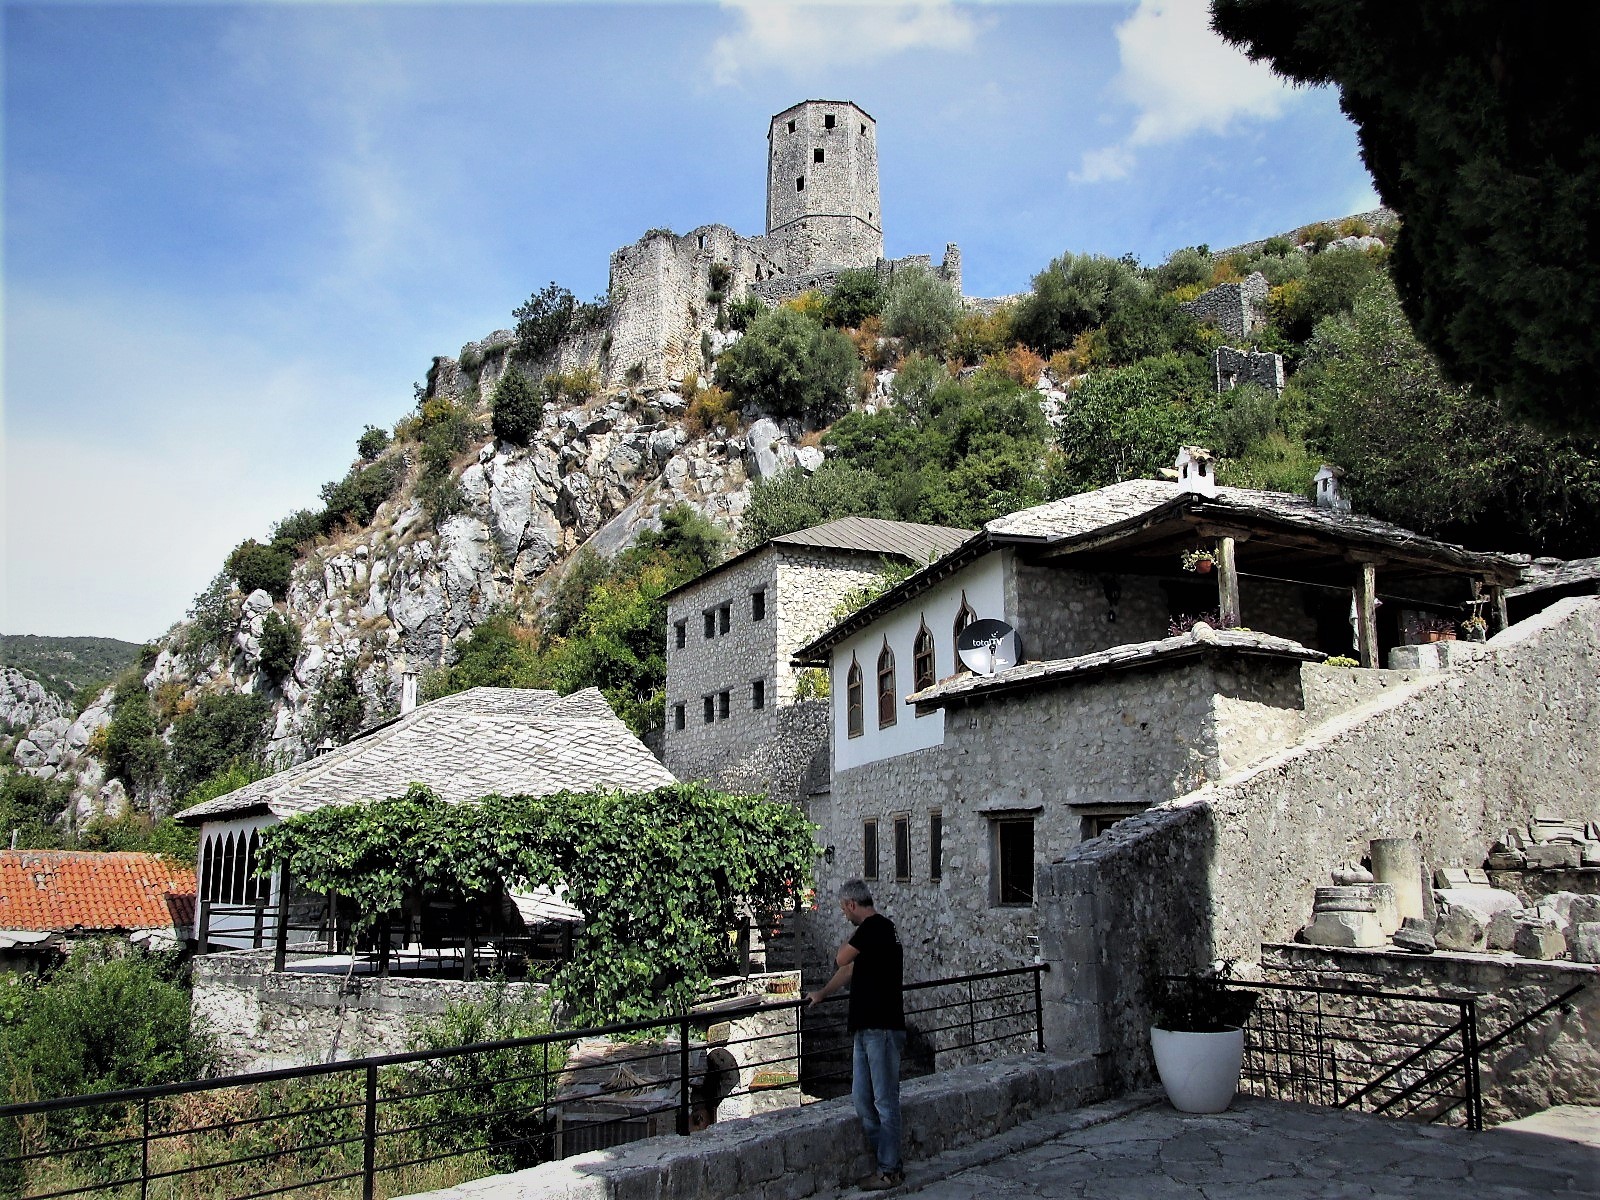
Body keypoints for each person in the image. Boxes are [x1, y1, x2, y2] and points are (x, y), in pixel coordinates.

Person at [807, 879, 905, 1189]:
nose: (844, 915)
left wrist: (852, 934)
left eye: (844, 910)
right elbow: (848, 971)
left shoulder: (875, 927)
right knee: (863, 1101)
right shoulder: (873, 937)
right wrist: (823, 993)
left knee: (885, 1102)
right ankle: (886, 1164)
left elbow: (840, 959)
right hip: (865, 1029)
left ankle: (889, 1170)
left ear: (852, 905)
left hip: (883, 1029)